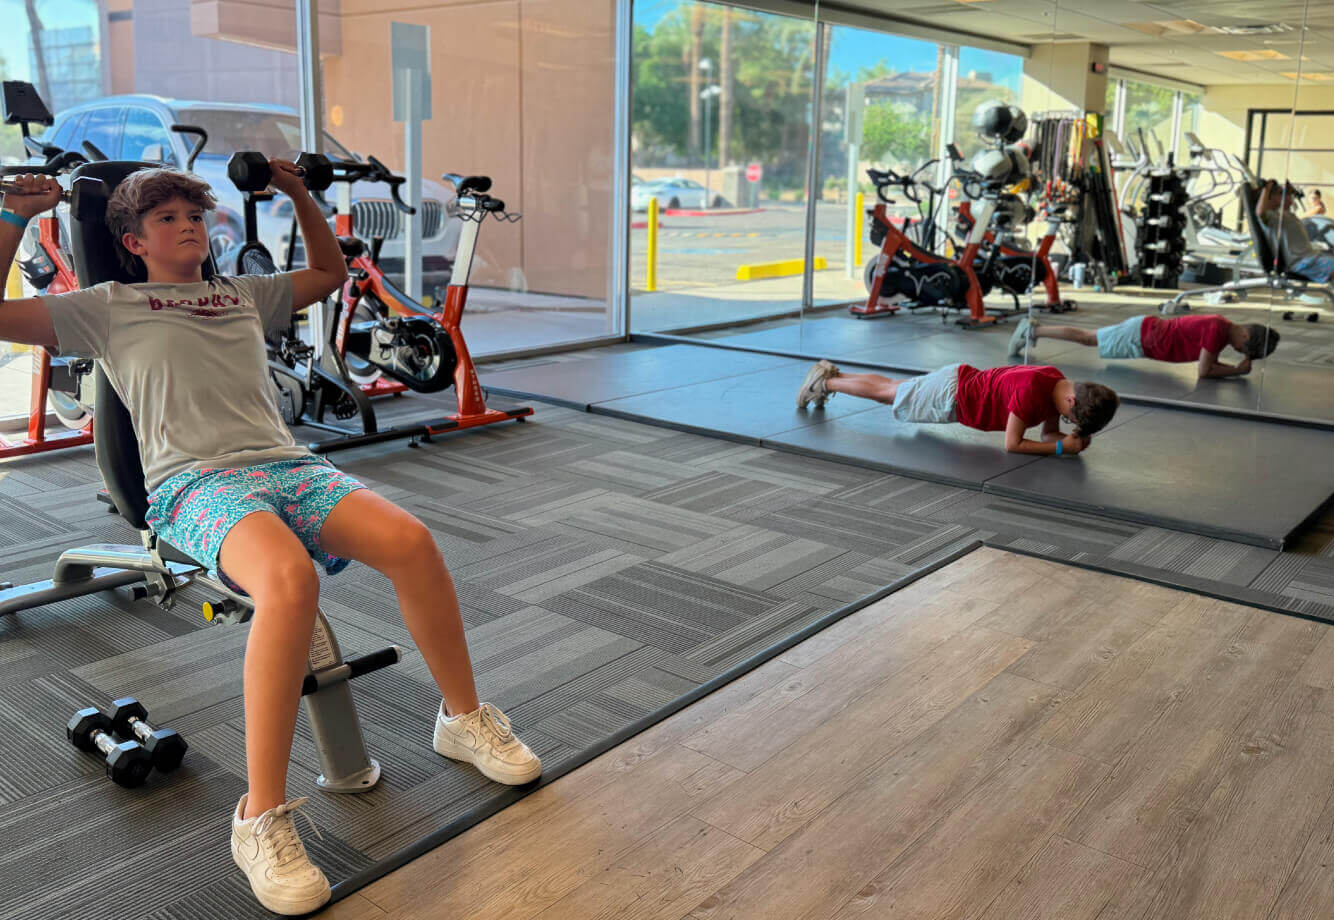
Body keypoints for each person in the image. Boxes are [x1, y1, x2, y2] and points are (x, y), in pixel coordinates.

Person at [0, 165, 541, 916]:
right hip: (195, 484)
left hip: (290, 466)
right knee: (290, 584)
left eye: (195, 212)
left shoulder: (242, 294)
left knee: (413, 542)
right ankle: (260, 816)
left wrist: (296, 194)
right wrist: (12, 216)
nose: (187, 223)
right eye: (166, 218)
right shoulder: (105, 308)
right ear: (132, 241)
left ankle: (462, 719)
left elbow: (326, 270)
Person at [796, 359, 1118, 455]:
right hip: (952, 396)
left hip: (958, 381)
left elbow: (1049, 433)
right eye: (1070, 416)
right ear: (1072, 400)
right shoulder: (1031, 393)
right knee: (888, 394)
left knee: (892, 388)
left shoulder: (1054, 381)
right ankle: (824, 384)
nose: (1064, 419)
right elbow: (1013, 444)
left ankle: (834, 375)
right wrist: (1061, 450)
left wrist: (1067, 438)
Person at [1008, 313, 1279, 379]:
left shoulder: (1220, 327)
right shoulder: (1217, 332)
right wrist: (1237, 372)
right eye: (1243, 350)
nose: (1239, 353)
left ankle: (1035, 329)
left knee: (1088, 337)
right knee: (1087, 338)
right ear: (1245, 336)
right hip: (1141, 335)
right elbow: (1205, 371)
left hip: (1144, 334)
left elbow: (1208, 364)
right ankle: (1033, 329)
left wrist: (1232, 368)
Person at [1256, 177, 1334, 282]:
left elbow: (1288, 202)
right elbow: (1260, 212)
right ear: (1271, 198)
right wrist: (1267, 189)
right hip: (1304, 263)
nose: (1287, 196)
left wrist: (1289, 190)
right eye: (1281, 194)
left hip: (1312, 257)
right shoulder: (1272, 218)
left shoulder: (1284, 214)